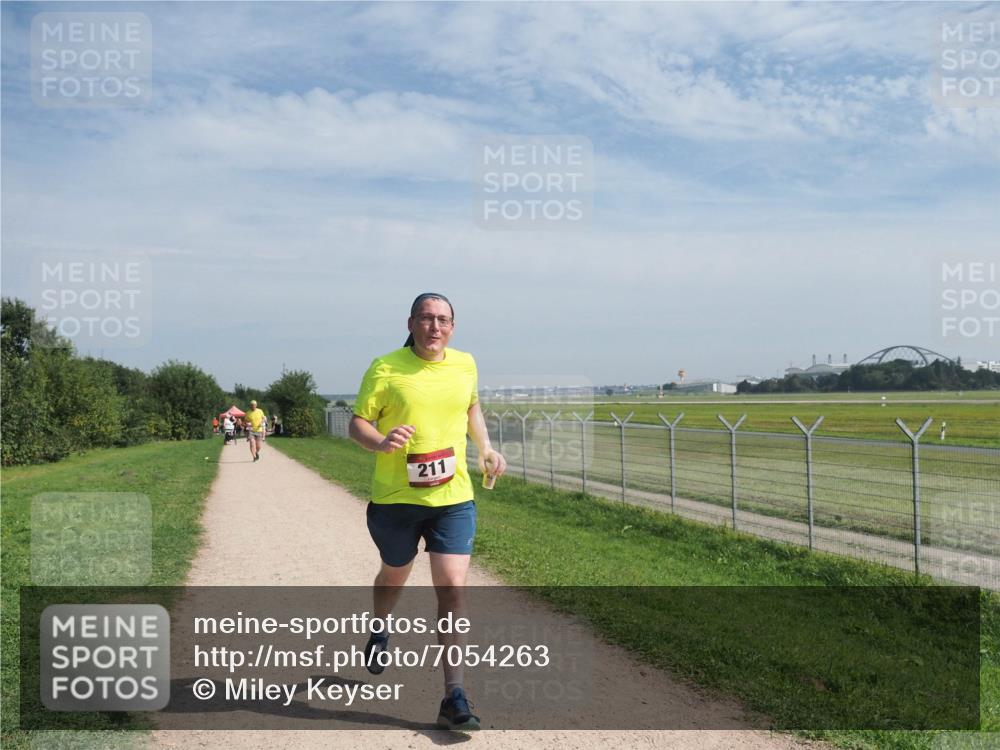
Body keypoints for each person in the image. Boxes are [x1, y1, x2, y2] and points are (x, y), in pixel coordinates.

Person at [349, 292, 506, 732]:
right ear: (412, 323)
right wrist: (380, 442)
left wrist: (486, 447)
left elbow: (471, 405)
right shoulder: (385, 367)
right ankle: (380, 627)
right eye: (426, 318)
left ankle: (453, 693)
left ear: (452, 327)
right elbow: (357, 422)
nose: (435, 326)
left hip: (453, 497)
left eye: (443, 319)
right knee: (394, 574)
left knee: (453, 588)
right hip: (397, 499)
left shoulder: (465, 364)